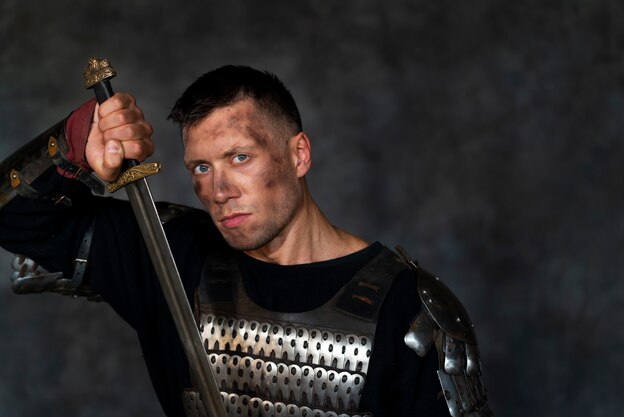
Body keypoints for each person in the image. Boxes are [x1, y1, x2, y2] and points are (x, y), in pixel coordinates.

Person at [0, 65, 492, 417]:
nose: (219, 190)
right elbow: (14, 219)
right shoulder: (169, 254)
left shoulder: (409, 307)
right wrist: (75, 144)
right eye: (201, 167)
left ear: (298, 155)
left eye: (239, 158)